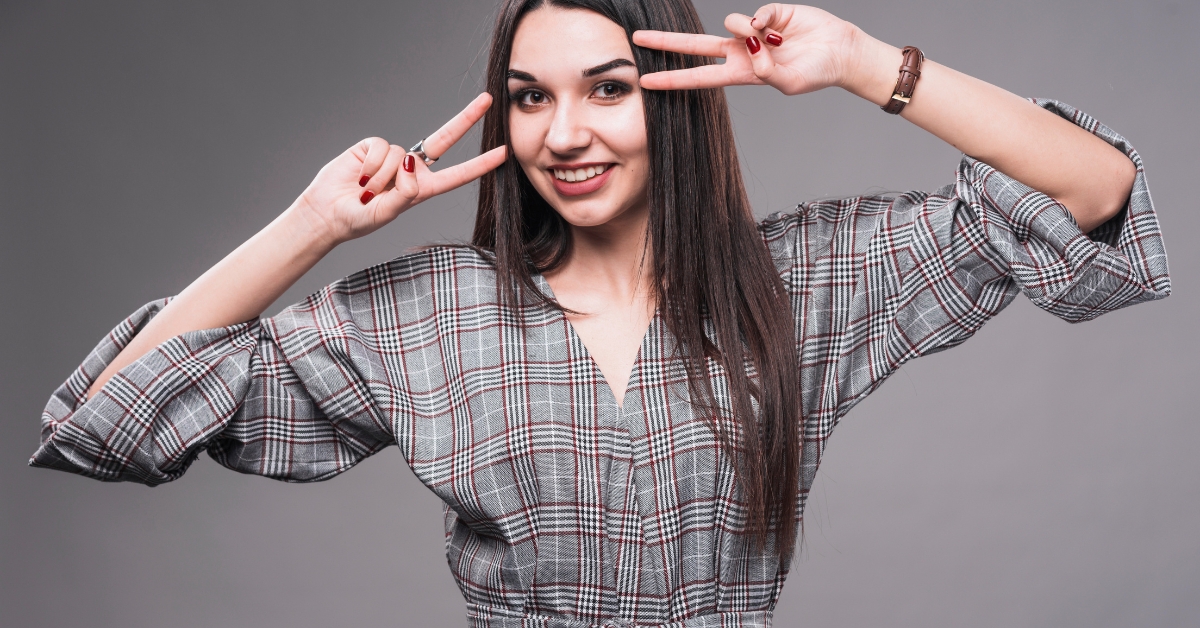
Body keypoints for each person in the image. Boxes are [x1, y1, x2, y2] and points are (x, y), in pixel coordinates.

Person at [30, 0, 1169, 626]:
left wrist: (866, 62)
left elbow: (1091, 196)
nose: (563, 132)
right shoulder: (430, 316)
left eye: (607, 88)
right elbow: (112, 423)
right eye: (530, 99)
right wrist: (313, 223)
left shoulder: (798, 286)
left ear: (671, 100)